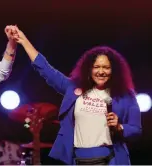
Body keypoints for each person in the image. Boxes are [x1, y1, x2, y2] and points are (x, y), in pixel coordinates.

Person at [10, 26, 142, 165]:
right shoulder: (73, 88)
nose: (101, 71)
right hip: (79, 158)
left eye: (106, 67)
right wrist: (24, 40)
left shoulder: (125, 96)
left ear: (113, 70)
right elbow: (46, 69)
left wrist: (119, 127)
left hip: (111, 159)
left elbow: (136, 129)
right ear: (89, 69)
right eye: (96, 67)